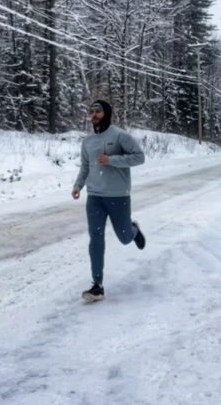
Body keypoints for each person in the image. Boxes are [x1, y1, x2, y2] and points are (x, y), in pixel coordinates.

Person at [72, 100, 146, 302]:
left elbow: (140, 157)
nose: (94, 115)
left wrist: (112, 160)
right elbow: (85, 167)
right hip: (95, 196)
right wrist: (78, 185)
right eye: (92, 111)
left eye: (98, 111)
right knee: (95, 238)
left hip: (118, 195)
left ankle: (133, 230)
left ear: (107, 114)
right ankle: (98, 286)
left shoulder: (120, 135)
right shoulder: (87, 141)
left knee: (123, 238)